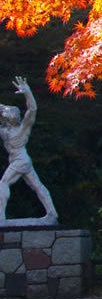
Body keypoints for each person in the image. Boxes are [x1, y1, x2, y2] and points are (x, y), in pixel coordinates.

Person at [0, 76, 58, 223]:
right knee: (37, 186)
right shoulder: (4, 130)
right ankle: (52, 213)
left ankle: (0, 217)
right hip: (17, 160)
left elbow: (32, 109)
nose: (3, 111)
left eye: (6, 110)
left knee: (3, 183)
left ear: (13, 116)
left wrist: (27, 92)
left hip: (21, 160)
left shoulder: (22, 129)